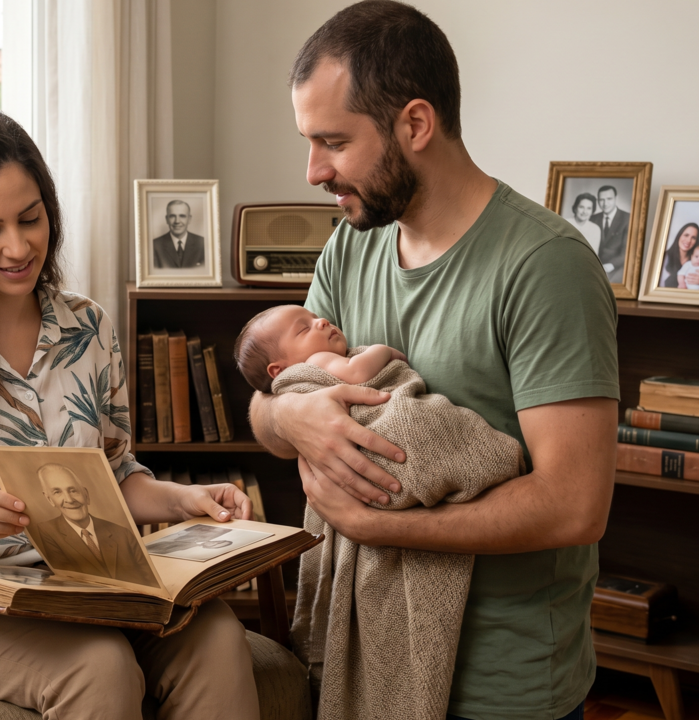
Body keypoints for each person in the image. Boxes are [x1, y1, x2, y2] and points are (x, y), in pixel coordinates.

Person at [249, 3, 618, 720]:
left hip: (501, 687)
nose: (314, 170)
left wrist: (382, 525)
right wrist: (294, 416)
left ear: (415, 124)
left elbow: (576, 505)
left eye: (333, 141)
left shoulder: (545, 268)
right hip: (367, 656)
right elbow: (276, 400)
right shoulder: (350, 246)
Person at [0, 106, 259, 720]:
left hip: (82, 584)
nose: (18, 246)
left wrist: (182, 499)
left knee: (218, 638)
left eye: (31, 218)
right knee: (100, 668)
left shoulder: (89, 326)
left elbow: (115, 477)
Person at [28, 463, 158, 586]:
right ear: (50, 499)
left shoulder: (123, 533)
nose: (69, 500)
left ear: (86, 494)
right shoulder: (45, 532)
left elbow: (150, 582)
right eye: (57, 492)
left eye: (73, 490)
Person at [234, 304, 407, 391]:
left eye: (315, 317)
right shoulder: (315, 361)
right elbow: (357, 372)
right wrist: (383, 350)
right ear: (279, 371)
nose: (322, 321)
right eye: (304, 328)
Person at [590, 185, 630, 282]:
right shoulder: (593, 218)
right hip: (594, 267)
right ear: (597, 200)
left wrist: (610, 265)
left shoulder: (628, 219)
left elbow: (627, 251)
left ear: (616, 198)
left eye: (609, 199)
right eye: (601, 200)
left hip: (617, 267)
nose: (605, 203)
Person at [151, 200, 206, 268]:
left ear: (189, 219)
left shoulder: (203, 243)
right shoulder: (154, 246)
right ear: (167, 219)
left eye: (182, 216)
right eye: (172, 216)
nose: (177, 221)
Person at [661, 222, 699, 288]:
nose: (688, 240)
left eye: (693, 238)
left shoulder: (696, 261)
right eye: (686, 235)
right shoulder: (663, 257)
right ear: (679, 235)